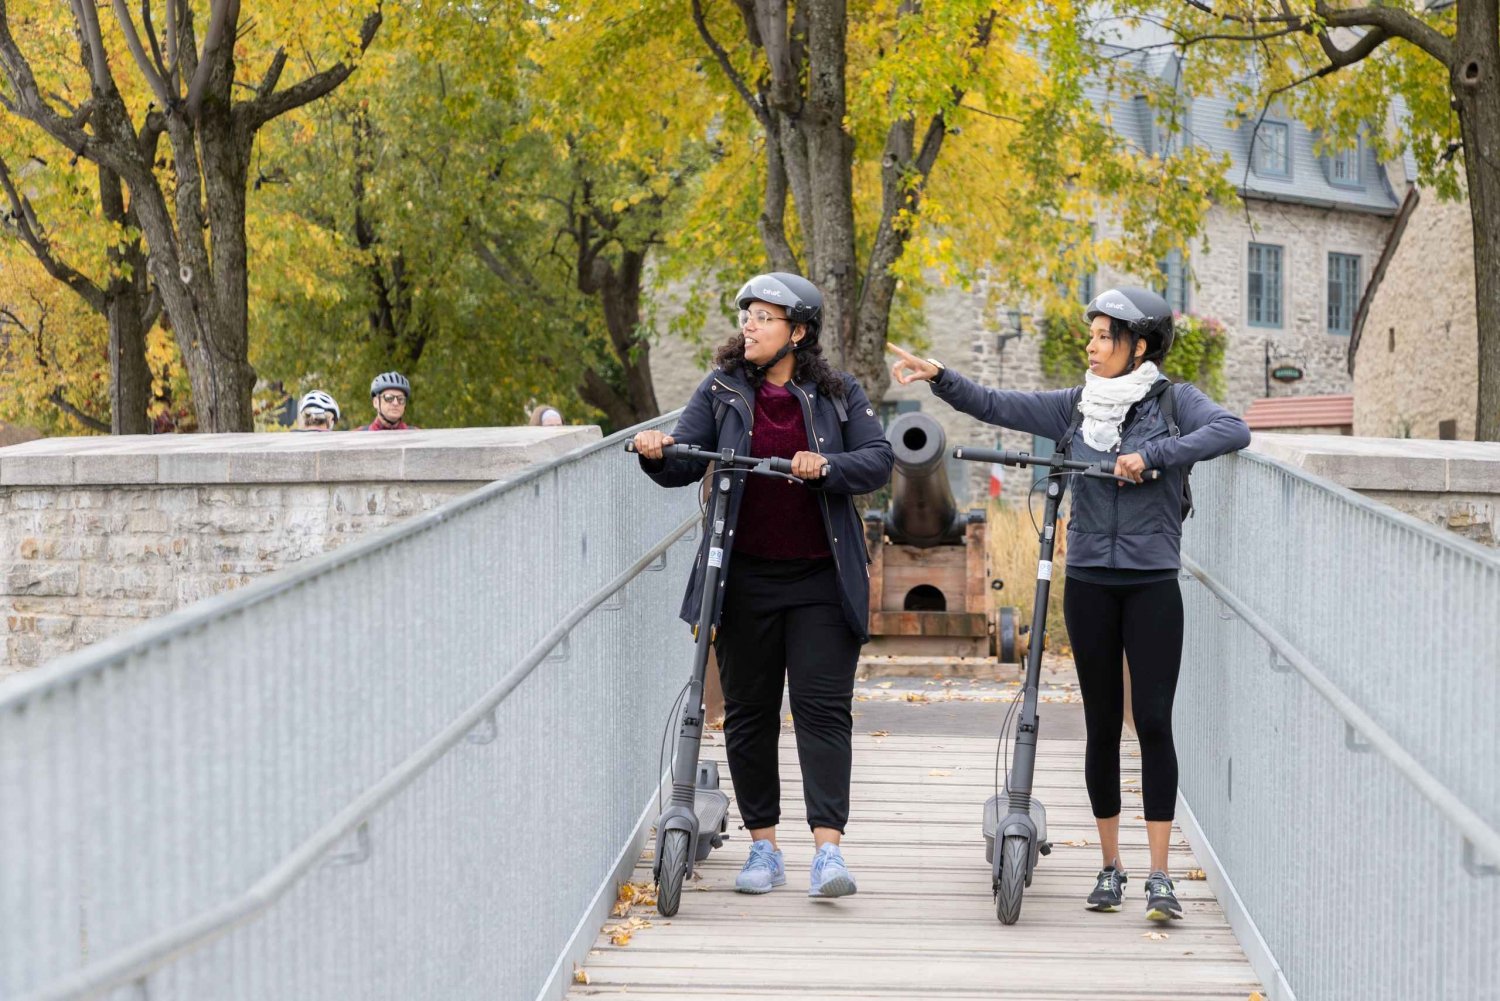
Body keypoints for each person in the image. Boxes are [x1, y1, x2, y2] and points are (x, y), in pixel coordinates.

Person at [889, 286, 1250, 921]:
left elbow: (1232, 429)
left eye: (1103, 335)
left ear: (1138, 346)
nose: (1090, 344)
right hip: (1087, 580)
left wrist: (1155, 455)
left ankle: (1159, 875)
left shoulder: (1172, 401)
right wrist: (939, 377)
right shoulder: (1077, 407)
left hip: (1151, 582)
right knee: (1102, 724)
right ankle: (1110, 868)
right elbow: (999, 404)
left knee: (1156, 723)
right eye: (1092, 334)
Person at [634, 272, 894, 899]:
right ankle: (763, 848)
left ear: (798, 332)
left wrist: (825, 464)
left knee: (821, 712)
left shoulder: (837, 394)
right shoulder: (721, 389)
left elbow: (879, 459)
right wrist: (656, 450)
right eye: (745, 314)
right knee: (749, 715)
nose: (748, 324)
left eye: (764, 316)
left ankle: (828, 854)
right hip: (743, 577)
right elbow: (682, 460)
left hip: (821, 581)